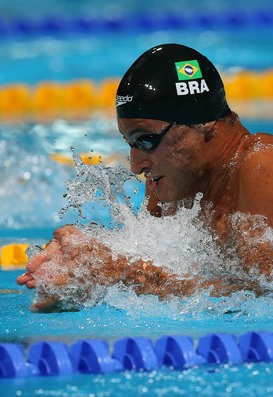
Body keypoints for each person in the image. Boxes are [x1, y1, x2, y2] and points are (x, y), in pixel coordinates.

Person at [17, 43, 273, 311]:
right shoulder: (171, 180)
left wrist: (127, 275)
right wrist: (81, 270)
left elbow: (264, 298)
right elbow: (151, 266)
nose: (136, 165)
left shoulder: (261, 166)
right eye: (130, 143)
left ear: (202, 121)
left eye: (147, 140)